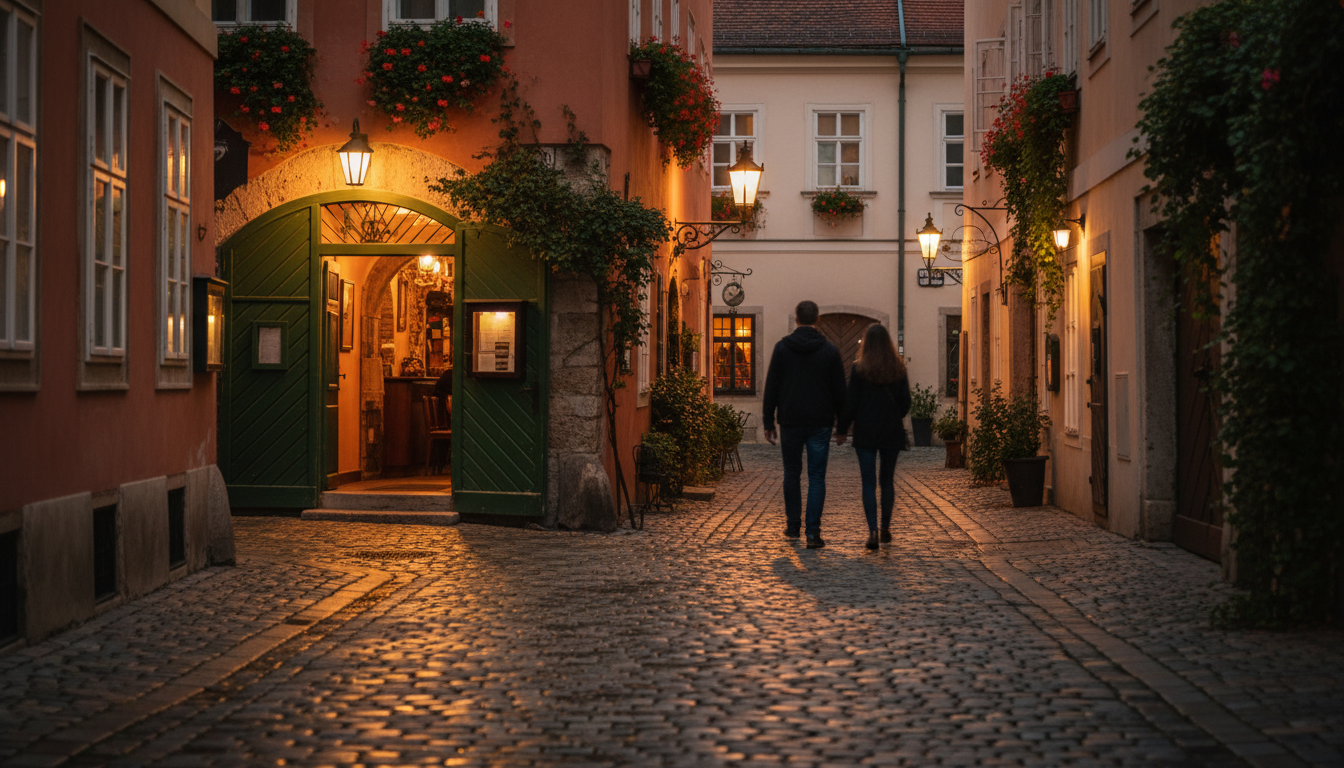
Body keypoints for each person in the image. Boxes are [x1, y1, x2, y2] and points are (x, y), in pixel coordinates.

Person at [762, 300, 847, 549]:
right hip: (820, 422)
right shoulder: (830, 351)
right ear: (817, 319)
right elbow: (840, 392)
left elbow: (771, 388)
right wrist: (842, 426)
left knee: (792, 473)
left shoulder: (782, 349)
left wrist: (769, 421)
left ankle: (792, 526)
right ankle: (813, 533)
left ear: (797, 319)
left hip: (790, 420)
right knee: (817, 476)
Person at [835, 323, 911, 550]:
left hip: (866, 431)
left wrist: (842, 429)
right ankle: (886, 527)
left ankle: (872, 532)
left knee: (868, 482)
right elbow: (906, 402)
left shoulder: (859, 369)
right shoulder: (898, 369)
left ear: (866, 343)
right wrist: (894, 416)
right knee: (887, 481)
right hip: (890, 431)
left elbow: (851, 403)